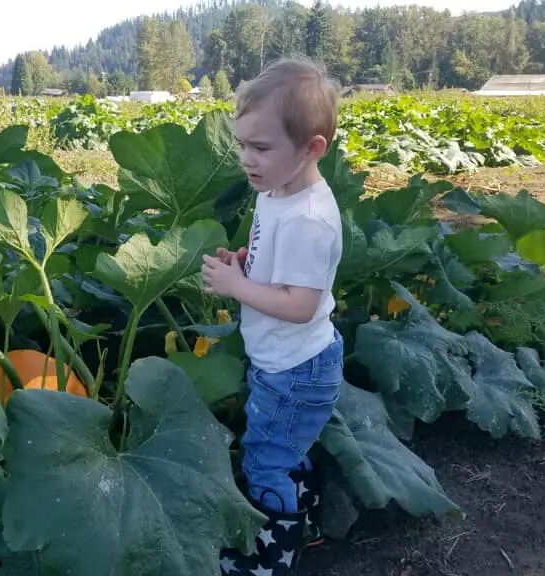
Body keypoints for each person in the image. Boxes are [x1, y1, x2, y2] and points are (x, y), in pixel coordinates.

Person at [201, 56, 344, 576]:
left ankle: (272, 559)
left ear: (312, 149)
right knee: (285, 447)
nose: (246, 158)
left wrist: (238, 287)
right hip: (287, 363)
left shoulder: (309, 220)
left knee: (264, 458)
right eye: (242, 144)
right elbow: (280, 272)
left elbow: (301, 305)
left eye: (260, 147)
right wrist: (245, 264)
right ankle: (301, 509)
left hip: (294, 370)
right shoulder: (278, 191)